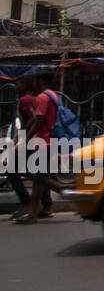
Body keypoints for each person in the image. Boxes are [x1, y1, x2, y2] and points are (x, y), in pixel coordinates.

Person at [7, 77, 54, 221]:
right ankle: (46, 205)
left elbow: (32, 119)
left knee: (13, 171)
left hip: (34, 141)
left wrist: (20, 140)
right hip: (39, 140)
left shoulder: (24, 100)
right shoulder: (34, 99)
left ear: (23, 86)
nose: (14, 87)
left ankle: (27, 203)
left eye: (17, 84)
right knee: (37, 174)